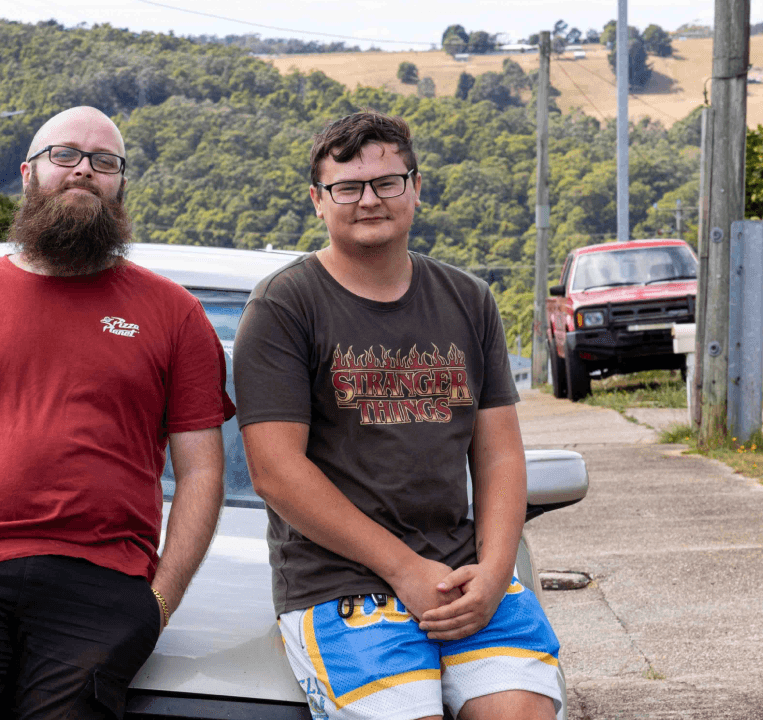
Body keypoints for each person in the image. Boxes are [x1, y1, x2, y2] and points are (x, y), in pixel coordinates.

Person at [0, 105, 233, 720]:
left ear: (120, 182)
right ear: (28, 173)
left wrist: (162, 598)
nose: (82, 172)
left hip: (105, 581)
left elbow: (201, 471)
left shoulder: (175, 314)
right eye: (64, 156)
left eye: (104, 162)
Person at [233, 110, 561, 720]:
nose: (369, 201)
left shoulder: (468, 300)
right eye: (347, 187)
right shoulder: (283, 306)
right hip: (339, 585)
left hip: (464, 578)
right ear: (317, 200)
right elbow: (275, 471)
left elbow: (499, 455)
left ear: (415, 187)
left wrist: (493, 573)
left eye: (387, 182)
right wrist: (405, 570)